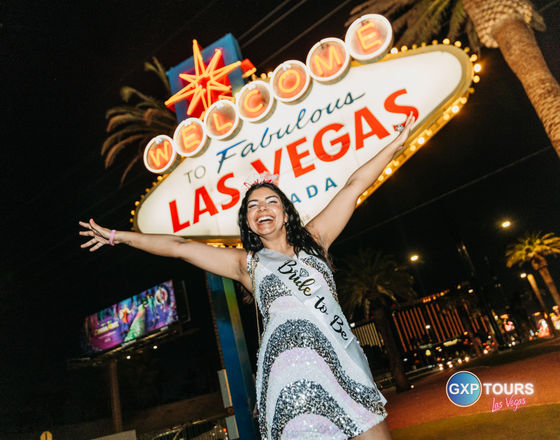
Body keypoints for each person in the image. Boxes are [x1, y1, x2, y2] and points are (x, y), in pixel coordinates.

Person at [80, 113, 415, 439]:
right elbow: (179, 246)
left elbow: (353, 186)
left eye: (271, 202)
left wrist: (395, 145)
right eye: (253, 206)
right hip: (291, 374)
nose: (262, 208)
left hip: (342, 360)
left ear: (286, 215)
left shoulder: (316, 240)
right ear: (249, 223)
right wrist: (119, 237)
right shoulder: (247, 264)